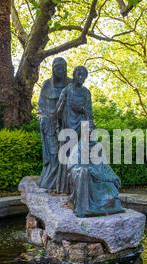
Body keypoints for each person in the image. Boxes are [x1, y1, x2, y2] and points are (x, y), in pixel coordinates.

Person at [55, 65, 94, 194]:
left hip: (81, 126)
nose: (81, 77)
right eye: (79, 74)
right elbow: (57, 112)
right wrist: (64, 103)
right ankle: (65, 187)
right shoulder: (66, 90)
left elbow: (89, 111)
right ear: (74, 74)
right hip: (68, 127)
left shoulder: (86, 92)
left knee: (80, 157)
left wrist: (82, 110)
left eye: (84, 75)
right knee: (66, 156)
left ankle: (78, 189)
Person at [37, 57, 71, 190]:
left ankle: (67, 183)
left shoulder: (71, 84)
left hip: (67, 124)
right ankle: (51, 182)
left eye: (62, 67)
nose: (60, 70)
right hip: (50, 124)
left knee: (68, 154)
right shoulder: (47, 85)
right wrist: (45, 119)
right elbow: (41, 107)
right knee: (54, 155)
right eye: (57, 67)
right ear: (53, 69)